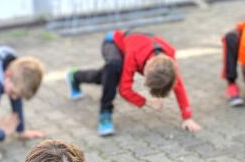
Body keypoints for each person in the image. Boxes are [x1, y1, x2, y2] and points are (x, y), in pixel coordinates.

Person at [65, 30, 201, 136]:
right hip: (113, 42)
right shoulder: (134, 54)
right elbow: (124, 90)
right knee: (113, 66)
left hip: (132, 45)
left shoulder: (169, 60)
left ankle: (74, 76)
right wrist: (147, 101)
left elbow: (178, 85)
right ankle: (105, 113)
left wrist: (187, 117)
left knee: (105, 77)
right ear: (147, 64)